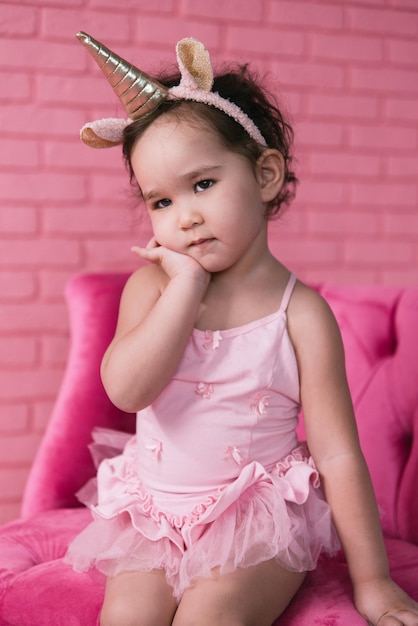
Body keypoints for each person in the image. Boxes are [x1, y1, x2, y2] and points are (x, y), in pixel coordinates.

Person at [65, 32, 418, 626]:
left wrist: (375, 583)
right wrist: (184, 288)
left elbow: (337, 453)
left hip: (257, 520)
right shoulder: (150, 290)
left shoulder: (300, 313)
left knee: (213, 619)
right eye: (161, 202)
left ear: (266, 175)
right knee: (125, 619)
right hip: (154, 514)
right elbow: (127, 391)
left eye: (203, 185)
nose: (186, 217)